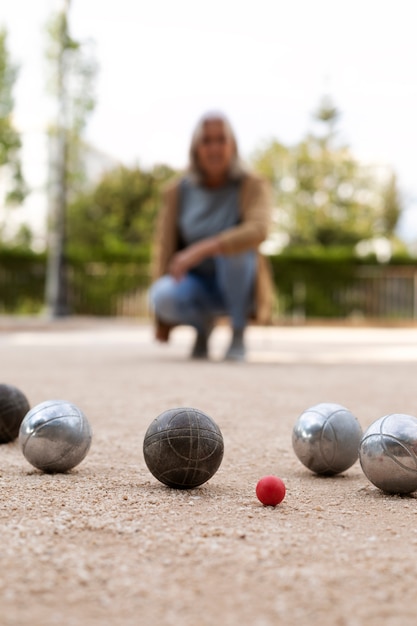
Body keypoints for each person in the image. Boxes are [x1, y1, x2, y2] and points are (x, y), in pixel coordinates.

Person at [150, 111, 273, 361]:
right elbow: (163, 249)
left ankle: (238, 330)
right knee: (161, 295)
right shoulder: (178, 191)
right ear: (196, 148)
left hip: (237, 283)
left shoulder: (252, 184)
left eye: (221, 140)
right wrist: (160, 319)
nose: (214, 148)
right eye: (207, 140)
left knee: (236, 250)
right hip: (195, 285)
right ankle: (201, 328)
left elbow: (258, 229)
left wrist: (201, 249)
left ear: (233, 145)